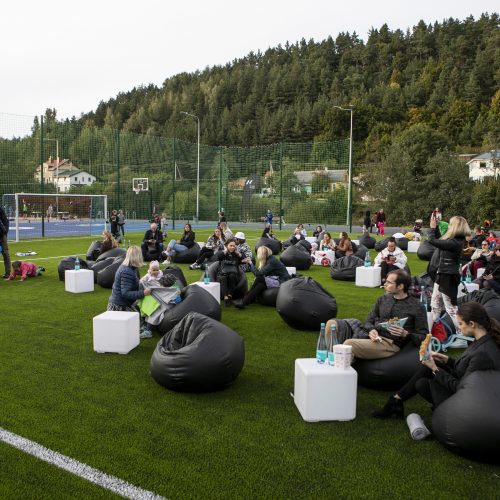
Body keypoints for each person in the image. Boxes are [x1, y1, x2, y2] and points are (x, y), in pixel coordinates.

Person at [372, 302, 500, 419]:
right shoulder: (482, 339)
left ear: (472, 324)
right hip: (464, 385)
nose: (459, 328)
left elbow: (462, 388)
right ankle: (396, 400)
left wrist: (435, 369)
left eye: (460, 324)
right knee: (425, 374)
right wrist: (446, 359)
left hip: (465, 400)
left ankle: (396, 402)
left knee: (422, 383)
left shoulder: (482, 353)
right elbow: (466, 368)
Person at [329, 269, 427, 361]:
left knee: (349, 344)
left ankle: (336, 370)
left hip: (391, 343)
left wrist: (406, 334)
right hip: (373, 337)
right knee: (332, 324)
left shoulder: (417, 306)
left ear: (400, 286)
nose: (385, 284)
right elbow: (368, 321)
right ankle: (329, 359)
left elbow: (423, 336)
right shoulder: (383, 299)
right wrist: (372, 330)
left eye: (389, 282)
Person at [428, 215, 470, 330]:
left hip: (448, 277)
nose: (449, 226)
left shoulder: (455, 243)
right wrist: (435, 227)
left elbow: (432, 241)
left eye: (451, 224)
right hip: (442, 274)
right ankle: (431, 331)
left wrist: (431, 228)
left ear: (455, 227)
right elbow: (438, 241)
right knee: (435, 305)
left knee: (451, 307)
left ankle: (462, 333)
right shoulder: (453, 241)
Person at [107, 246, 152, 337]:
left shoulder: (129, 268)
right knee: (138, 325)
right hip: (118, 306)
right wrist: (143, 293)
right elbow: (125, 293)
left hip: (122, 303)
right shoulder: (127, 271)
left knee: (140, 319)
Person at [216, 238, 245, 306]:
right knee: (223, 277)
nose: (232, 247)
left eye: (234, 246)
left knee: (232, 276)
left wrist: (239, 254)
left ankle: (230, 296)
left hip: (234, 274)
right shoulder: (223, 253)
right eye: (230, 245)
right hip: (223, 273)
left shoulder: (236, 254)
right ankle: (226, 297)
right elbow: (218, 257)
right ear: (226, 246)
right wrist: (225, 251)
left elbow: (243, 260)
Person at [0, 205, 11, 279]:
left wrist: (5, 231)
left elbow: (5, 221)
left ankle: (8, 273)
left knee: (5, 252)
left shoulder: (0, 209)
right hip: (2, 232)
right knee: (5, 252)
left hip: (1, 234)